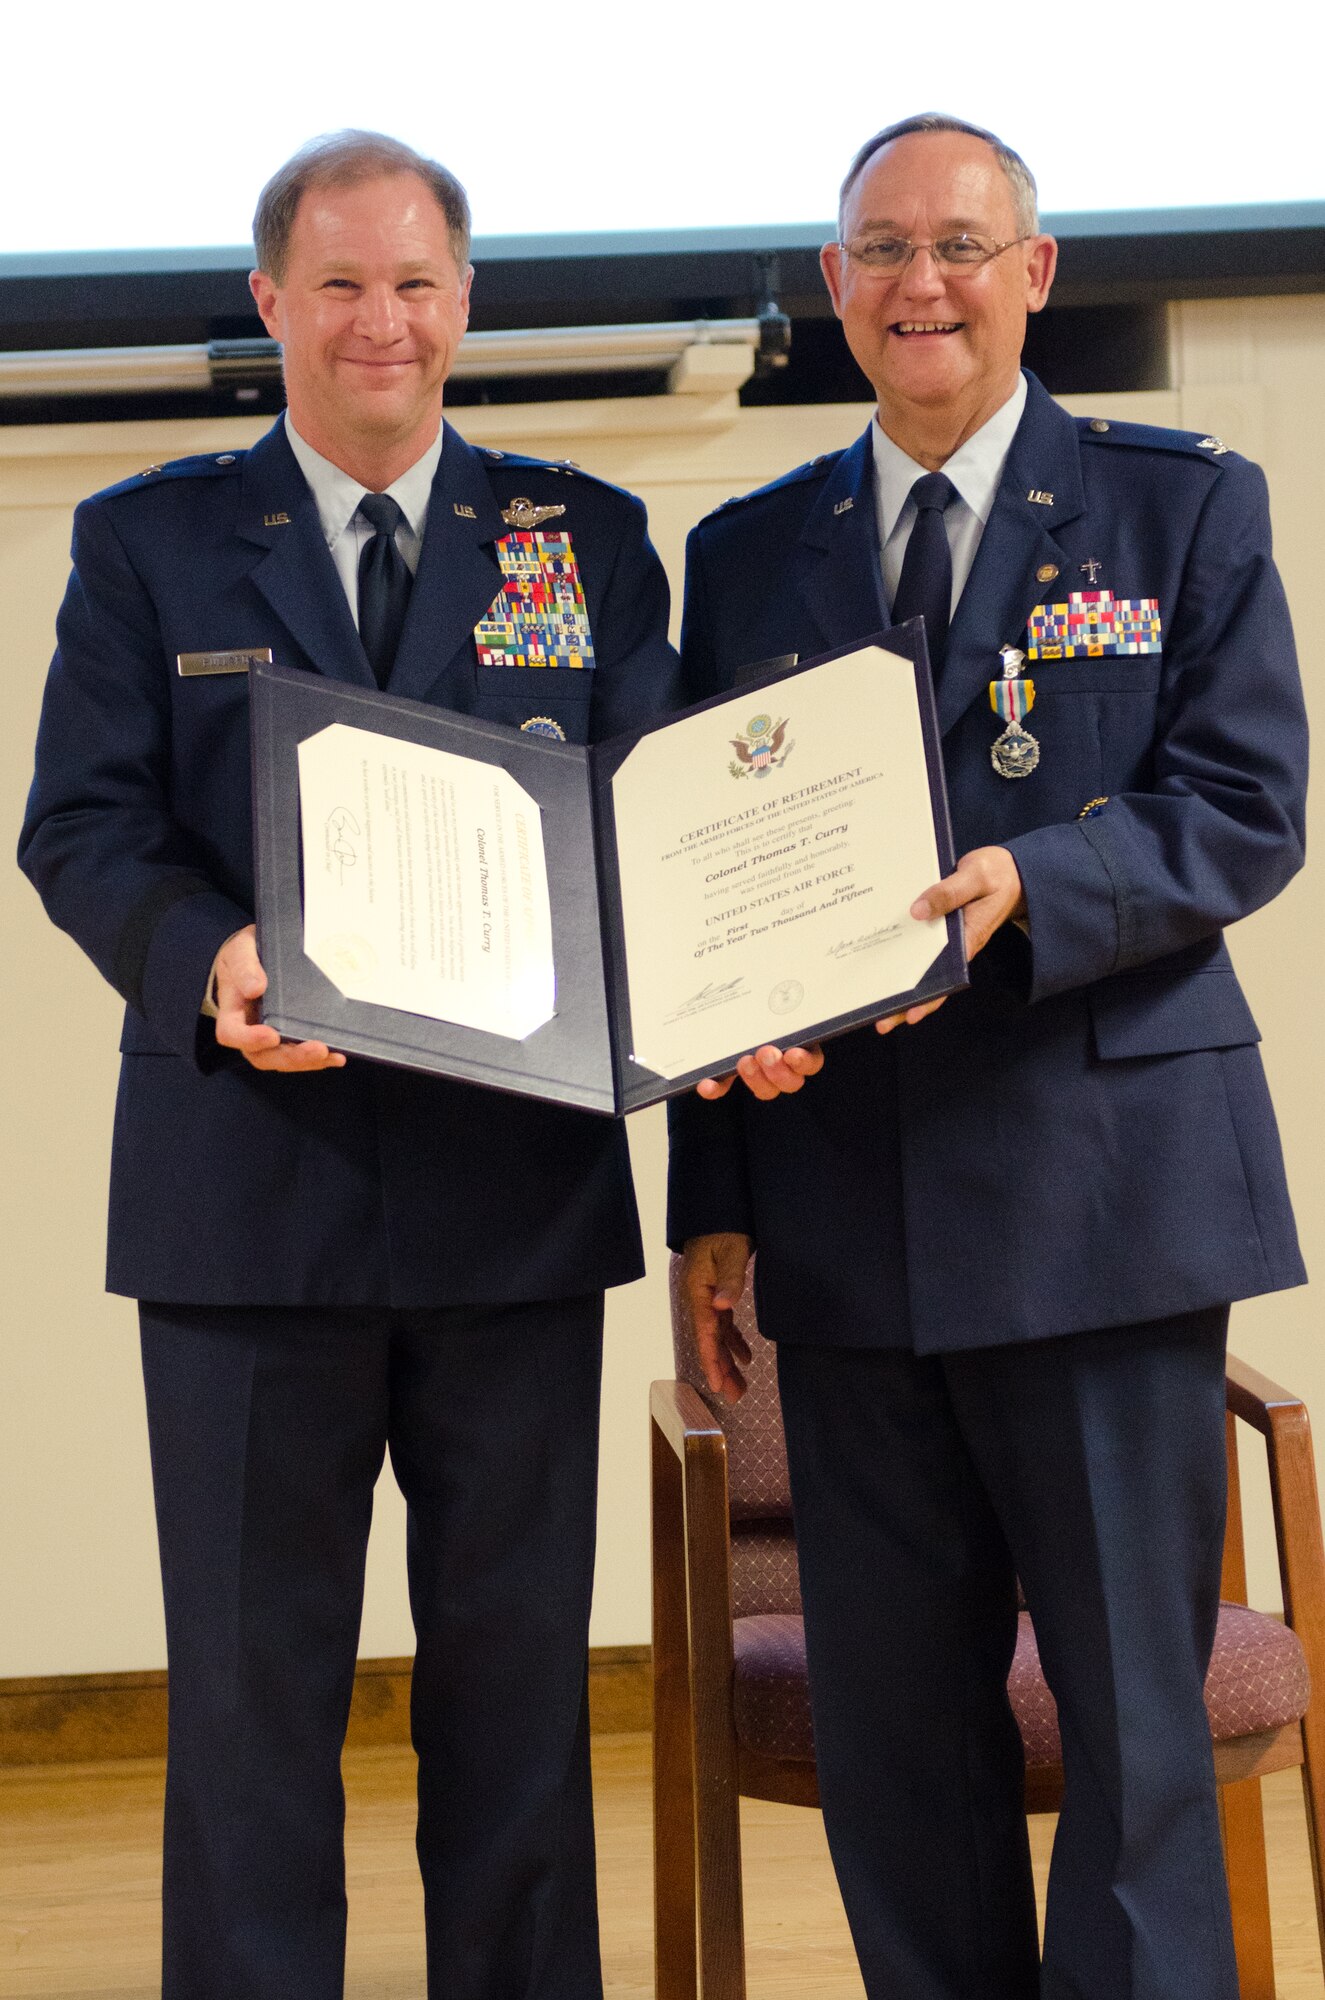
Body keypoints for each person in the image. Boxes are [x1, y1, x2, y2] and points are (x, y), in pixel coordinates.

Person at [19, 129, 680, 2000]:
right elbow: (79, 829)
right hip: (247, 1212)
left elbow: (647, 833)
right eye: (338, 284)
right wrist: (212, 956)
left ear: (462, 304)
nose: (378, 322)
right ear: (269, 304)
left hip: (516, 1211)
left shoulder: (585, 537)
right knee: (246, 1704)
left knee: (517, 1699)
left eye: (412, 284)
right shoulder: (148, 536)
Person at [668, 113, 1306, 1999]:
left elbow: (1244, 810)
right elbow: (705, 907)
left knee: (1130, 1723)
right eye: (879, 248)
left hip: (1105, 1210)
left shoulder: (1180, 504)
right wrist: (716, 1214)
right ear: (830, 287)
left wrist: (1031, 880)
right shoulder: (747, 553)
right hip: (848, 1231)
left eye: (959, 245)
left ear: (1034, 274)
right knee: (893, 1736)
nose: (917, 281)